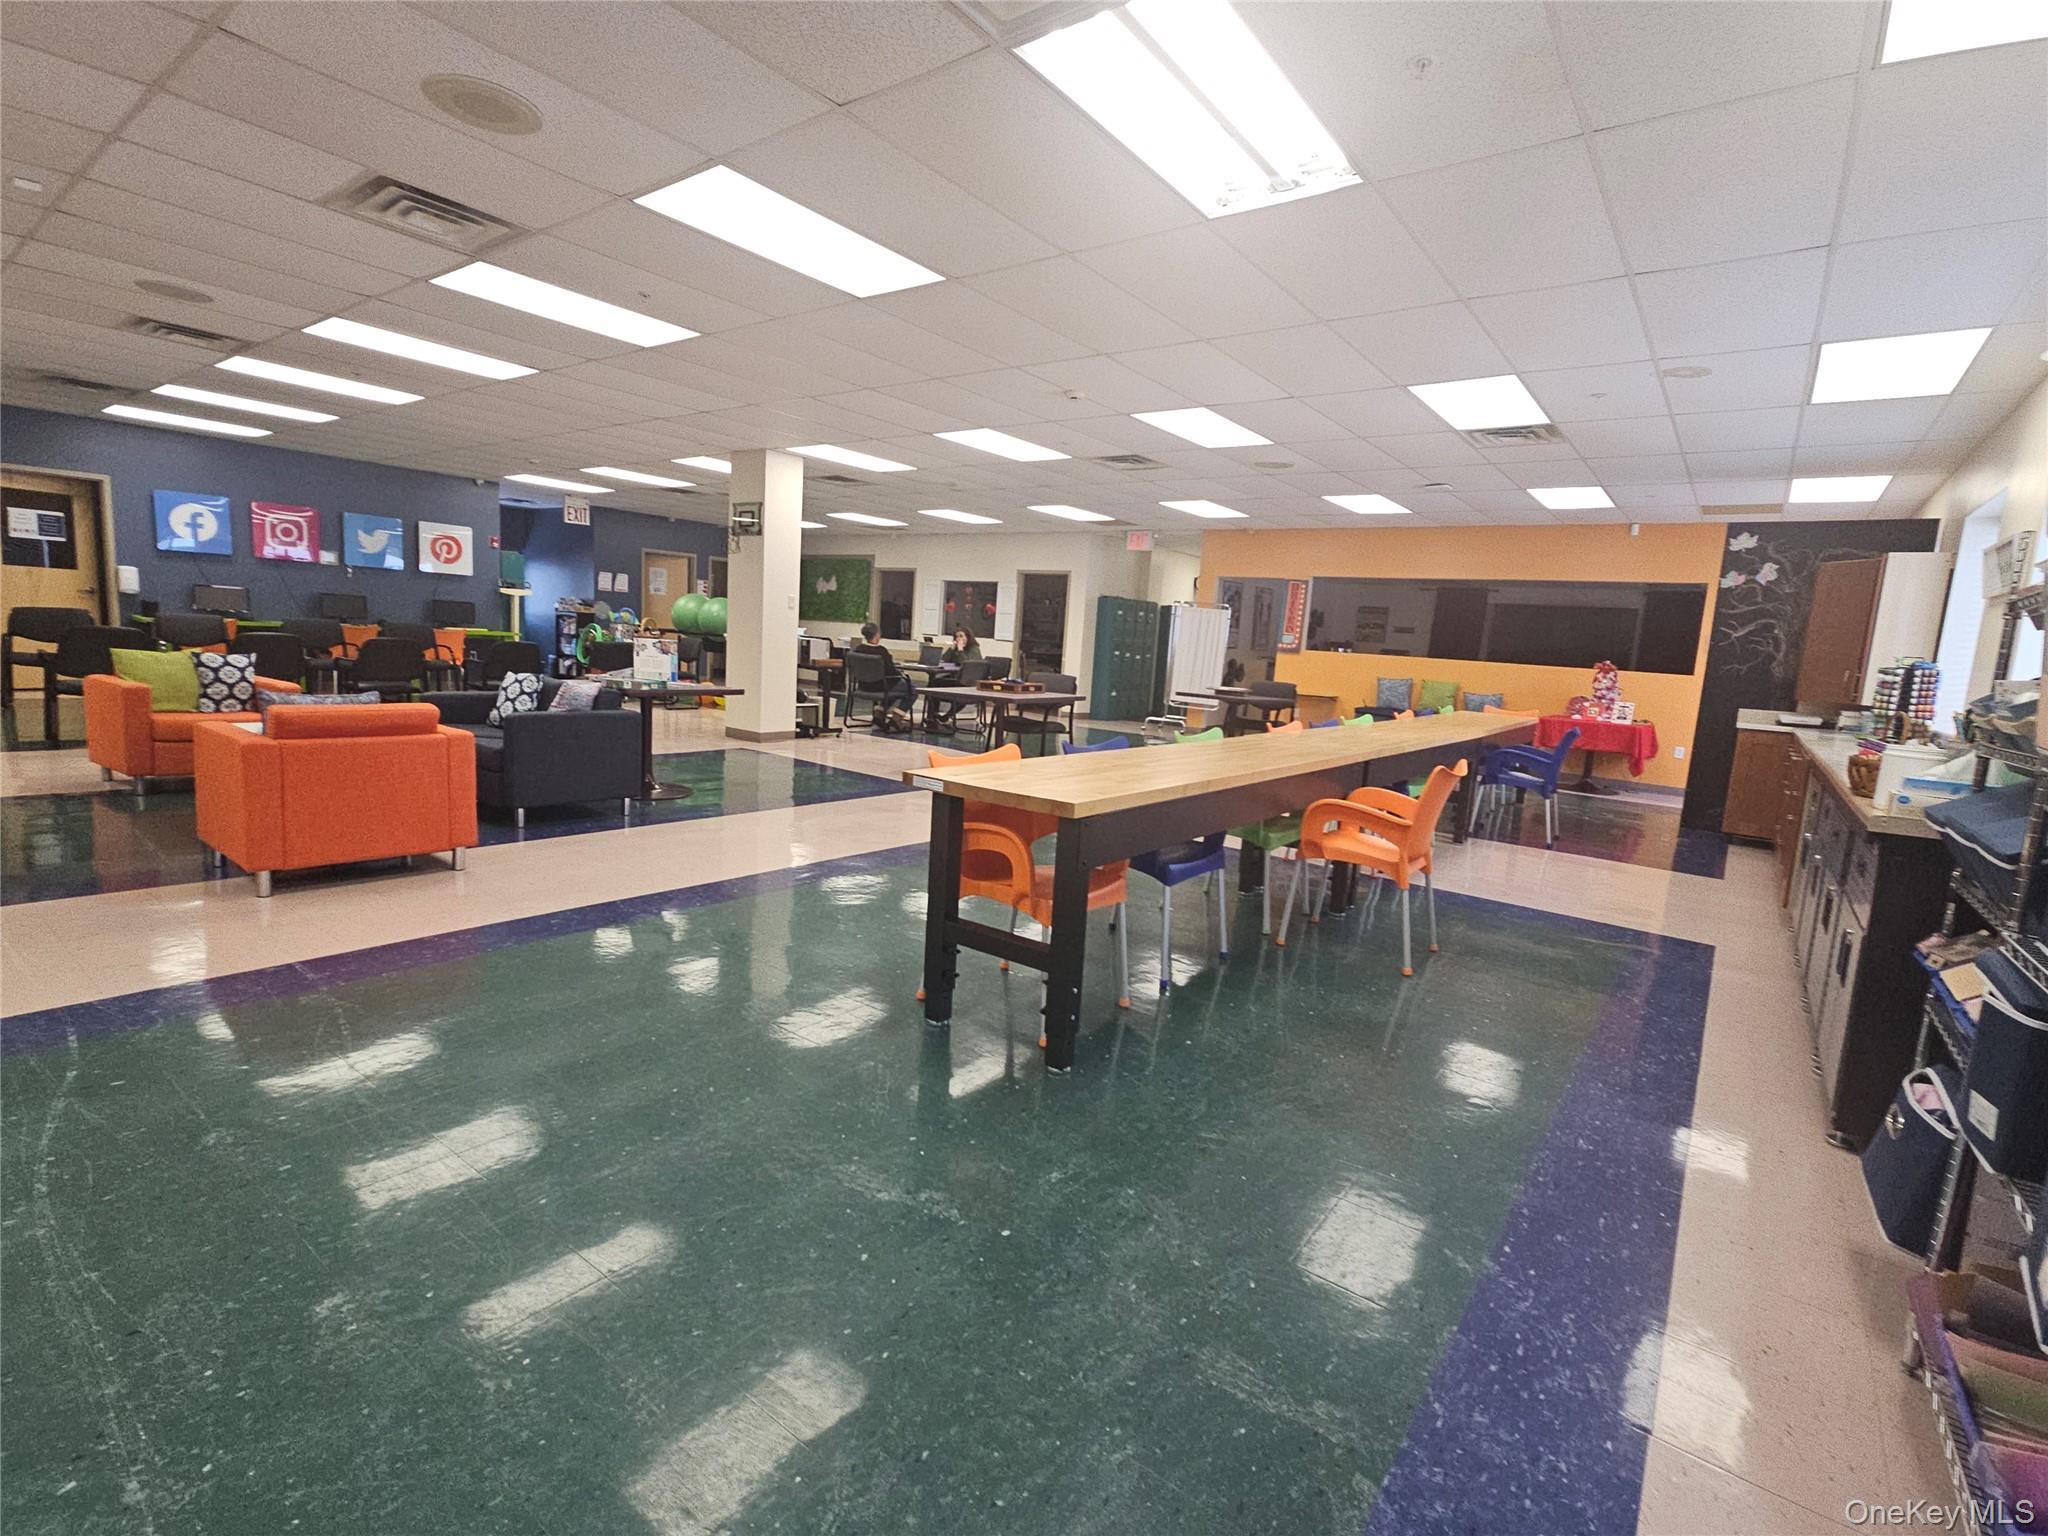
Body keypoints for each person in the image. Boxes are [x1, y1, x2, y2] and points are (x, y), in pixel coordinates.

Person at [849, 621, 916, 729]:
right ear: (877, 634)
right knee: (911, 689)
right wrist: (901, 674)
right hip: (881, 686)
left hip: (863, 686)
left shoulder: (857, 650)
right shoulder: (881, 651)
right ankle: (897, 718)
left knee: (893, 689)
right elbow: (891, 672)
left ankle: (879, 714)